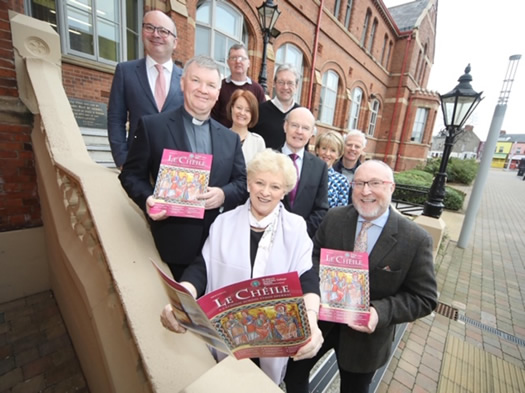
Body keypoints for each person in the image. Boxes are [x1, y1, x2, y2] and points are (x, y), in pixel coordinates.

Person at [160, 149, 324, 385]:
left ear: (285, 191)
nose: (265, 192)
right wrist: (181, 299)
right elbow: (202, 268)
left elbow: (307, 277)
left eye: (275, 187)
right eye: (259, 182)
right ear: (248, 184)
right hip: (227, 340)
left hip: (271, 343)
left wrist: (311, 318)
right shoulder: (224, 222)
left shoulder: (296, 228)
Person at [284, 159, 438, 393]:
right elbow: (312, 258)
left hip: (366, 340)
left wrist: (379, 312)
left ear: (391, 187)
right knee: (293, 375)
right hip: (320, 322)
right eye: (359, 183)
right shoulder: (334, 218)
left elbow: (424, 298)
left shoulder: (415, 239)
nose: (365, 191)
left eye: (375, 183)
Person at [119, 55, 247, 280]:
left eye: (210, 85)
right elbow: (130, 175)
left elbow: (241, 183)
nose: (203, 90)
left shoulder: (231, 138)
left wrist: (223, 194)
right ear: (182, 83)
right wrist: (148, 199)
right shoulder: (152, 127)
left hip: (217, 246)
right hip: (171, 246)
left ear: (218, 93)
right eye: (196, 81)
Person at [107, 10, 184, 168]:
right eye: (149, 27)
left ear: (175, 42)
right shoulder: (125, 71)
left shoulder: (187, 79)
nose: (156, 34)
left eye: (163, 31)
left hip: (175, 169)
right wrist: (122, 159)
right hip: (136, 166)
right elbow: (116, 119)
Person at [281, 107, 329, 238]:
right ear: (285, 126)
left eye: (305, 128)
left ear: (312, 133)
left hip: (303, 238)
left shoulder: (320, 167)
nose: (299, 132)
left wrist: (301, 232)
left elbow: (322, 208)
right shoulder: (268, 158)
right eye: (294, 125)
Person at [211, 43, 266, 128]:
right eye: (234, 58)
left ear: (248, 63)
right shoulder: (220, 86)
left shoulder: (257, 89)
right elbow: (213, 116)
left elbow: (261, 118)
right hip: (223, 137)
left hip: (248, 139)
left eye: (242, 58)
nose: (238, 61)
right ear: (228, 62)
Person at [251, 64, 301, 149]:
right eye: (281, 82)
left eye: (290, 83)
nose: (285, 87)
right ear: (274, 83)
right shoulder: (260, 111)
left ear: (296, 86)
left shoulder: (302, 114)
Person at [226, 89, 266, 164]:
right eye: (239, 108)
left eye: (247, 110)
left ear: (252, 114)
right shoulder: (220, 138)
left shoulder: (258, 142)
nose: (242, 113)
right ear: (232, 108)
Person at [314, 131, 350, 208]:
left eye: (333, 150)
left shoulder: (341, 181)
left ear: (338, 154)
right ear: (317, 149)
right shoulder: (306, 173)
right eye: (324, 148)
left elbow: (340, 214)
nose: (327, 153)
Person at [333, 130, 367, 200]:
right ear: (343, 145)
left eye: (357, 146)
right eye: (349, 145)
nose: (352, 148)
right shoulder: (330, 168)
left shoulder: (365, 174)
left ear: (362, 150)